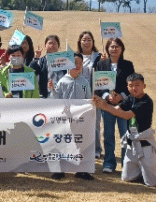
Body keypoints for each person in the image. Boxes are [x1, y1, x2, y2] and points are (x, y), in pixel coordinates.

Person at [93, 73, 156, 187]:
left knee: (152, 183)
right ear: (127, 87)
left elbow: (127, 115)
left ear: (144, 86)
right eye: (131, 86)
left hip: (144, 145)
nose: (134, 88)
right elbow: (117, 109)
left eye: (137, 85)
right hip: (131, 144)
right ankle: (144, 172)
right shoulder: (130, 98)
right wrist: (100, 103)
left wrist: (105, 106)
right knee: (127, 178)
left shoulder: (146, 102)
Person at [47, 52, 94, 181]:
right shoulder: (62, 81)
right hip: (65, 119)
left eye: (80, 63)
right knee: (63, 142)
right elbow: (56, 99)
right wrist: (52, 90)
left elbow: (88, 99)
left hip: (80, 119)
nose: (77, 65)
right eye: (75, 63)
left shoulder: (84, 82)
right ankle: (60, 170)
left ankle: (82, 170)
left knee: (81, 143)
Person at [95, 37, 135, 173]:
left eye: (117, 46)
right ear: (107, 48)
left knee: (125, 135)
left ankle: (126, 164)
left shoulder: (128, 65)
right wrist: (107, 96)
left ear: (122, 49)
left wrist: (121, 96)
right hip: (107, 106)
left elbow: (132, 85)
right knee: (108, 135)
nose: (114, 49)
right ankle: (109, 164)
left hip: (124, 106)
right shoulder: (101, 65)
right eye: (111, 46)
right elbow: (98, 86)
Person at [77, 31, 103, 159]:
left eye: (89, 40)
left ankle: (96, 149)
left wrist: (105, 61)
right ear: (80, 42)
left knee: (95, 124)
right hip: (79, 95)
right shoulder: (75, 57)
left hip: (94, 95)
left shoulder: (99, 56)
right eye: (84, 40)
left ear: (93, 42)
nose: (86, 42)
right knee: (79, 124)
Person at [30, 34, 64, 98]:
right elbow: (32, 72)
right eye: (50, 43)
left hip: (61, 94)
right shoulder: (41, 61)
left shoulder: (64, 60)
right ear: (45, 46)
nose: (52, 45)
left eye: (54, 43)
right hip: (46, 95)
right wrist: (36, 57)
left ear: (58, 46)